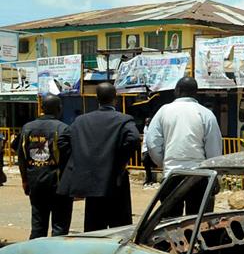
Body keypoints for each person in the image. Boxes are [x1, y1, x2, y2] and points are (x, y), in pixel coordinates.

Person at [58, 83, 139, 232]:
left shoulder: (81, 120)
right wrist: (118, 160)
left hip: (91, 182)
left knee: (93, 227)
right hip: (115, 181)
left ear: (97, 99)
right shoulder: (123, 120)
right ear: (115, 99)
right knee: (119, 229)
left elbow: (62, 140)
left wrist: (81, 158)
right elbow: (133, 139)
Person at [146, 76, 222, 216]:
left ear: (177, 90)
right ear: (196, 92)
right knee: (196, 223)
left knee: (170, 224)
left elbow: (152, 143)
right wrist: (214, 174)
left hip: (172, 175)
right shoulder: (206, 114)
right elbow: (214, 149)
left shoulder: (164, 111)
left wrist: (164, 163)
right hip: (199, 176)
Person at [17, 94, 73, 238]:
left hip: (35, 183)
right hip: (58, 185)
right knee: (59, 227)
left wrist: (24, 180)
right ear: (59, 109)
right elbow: (71, 158)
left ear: (42, 108)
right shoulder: (64, 128)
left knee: (38, 226)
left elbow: (21, 157)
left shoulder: (27, 128)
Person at [141, 117, 157, 185]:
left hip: (150, 148)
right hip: (144, 148)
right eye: (146, 122)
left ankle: (150, 179)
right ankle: (148, 179)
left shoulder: (153, 128)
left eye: (148, 122)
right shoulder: (145, 127)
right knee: (146, 165)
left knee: (145, 160)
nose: (147, 123)